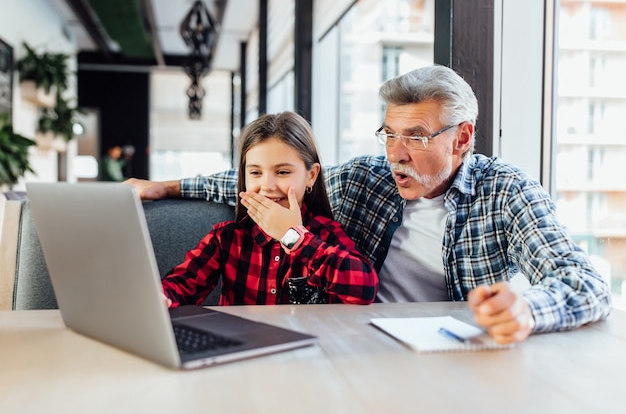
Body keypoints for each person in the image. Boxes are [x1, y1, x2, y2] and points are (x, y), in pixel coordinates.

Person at [126, 65, 611, 343]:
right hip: (359, 341)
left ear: (462, 138)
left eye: (416, 137)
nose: (396, 153)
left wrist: (526, 307)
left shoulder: (505, 191)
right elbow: (266, 180)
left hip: (456, 350)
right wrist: (164, 187)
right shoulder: (367, 177)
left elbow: (584, 283)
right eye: (390, 134)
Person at [160, 111, 378, 307]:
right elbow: (182, 284)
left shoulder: (326, 235)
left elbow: (365, 289)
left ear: (311, 175)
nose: (268, 186)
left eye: (282, 172)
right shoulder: (226, 238)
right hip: (243, 346)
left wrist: (293, 237)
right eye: (255, 173)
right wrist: (162, 297)